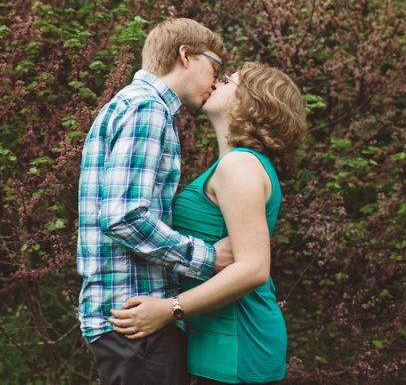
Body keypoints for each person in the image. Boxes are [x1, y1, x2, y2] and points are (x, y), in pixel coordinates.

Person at [107, 61, 307, 384]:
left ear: (251, 102)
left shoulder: (239, 165)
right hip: (220, 340)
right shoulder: (237, 164)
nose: (217, 82)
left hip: (237, 341)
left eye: (229, 81)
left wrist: (167, 309)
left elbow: (254, 268)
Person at [77, 18, 236, 385]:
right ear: (185, 55)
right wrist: (208, 258)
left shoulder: (132, 105)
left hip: (130, 320)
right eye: (216, 66)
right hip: (136, 322)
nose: (216, 80)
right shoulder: (147, 109)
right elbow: (124, 217)